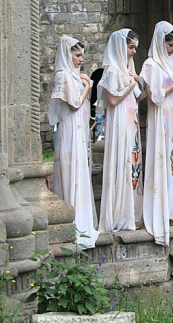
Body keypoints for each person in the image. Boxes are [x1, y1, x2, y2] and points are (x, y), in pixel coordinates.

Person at [140, 21, 173, 246]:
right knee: (164, 161)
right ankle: (162, 210)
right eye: (170, 45)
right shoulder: (151, 64)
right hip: (161, 118)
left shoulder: (171, 64)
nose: (172, 50)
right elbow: (153, 96)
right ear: (161, 42)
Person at [48, 36, 99, 248]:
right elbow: (76, 103)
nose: (81, 59)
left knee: (80, 170)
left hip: (78, 130)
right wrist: (87, 85)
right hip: (69, 130)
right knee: (71, 171)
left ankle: (83, 220)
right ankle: (72, 220)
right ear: (68, 55)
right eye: (77, 55)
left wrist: (83, 83)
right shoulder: (63, 76)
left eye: (82, 56)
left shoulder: (74, 76)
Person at [97, 28, 143, 233]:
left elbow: (138, 95)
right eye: (131, 47)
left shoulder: (126, 70)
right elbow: (113, 99)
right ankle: (119, 213)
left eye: (135, 48)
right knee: (122, 163)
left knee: (132, 164)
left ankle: (131, 212)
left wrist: (137, 80)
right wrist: (131, 84)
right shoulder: (112, 70)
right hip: (119, 122)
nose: (134, 52)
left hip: (130, 122)